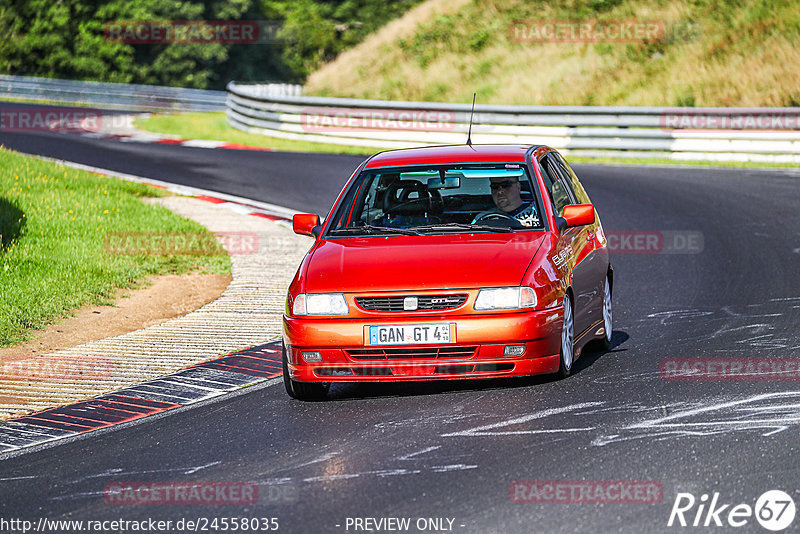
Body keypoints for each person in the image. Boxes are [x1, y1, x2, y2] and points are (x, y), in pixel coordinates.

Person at [472, 175, 541, 227]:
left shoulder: (540, 210)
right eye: (495, 186)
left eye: (505, 185)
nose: (500, 191)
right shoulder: (482, 218)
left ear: (518, 186)